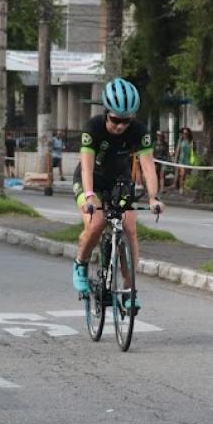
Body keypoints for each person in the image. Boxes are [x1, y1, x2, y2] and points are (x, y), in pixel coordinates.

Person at [70, 77, 163, 304]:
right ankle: (80, 263)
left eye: (126, 121)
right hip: (90, 179)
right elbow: (87, 166)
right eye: (115, 120)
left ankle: (130, 291)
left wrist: (154, 197)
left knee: (129, 227)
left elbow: (148, 165)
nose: (120, 126)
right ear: (106, 112)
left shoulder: (139, 131)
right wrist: (90, 196)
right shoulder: (93, 127)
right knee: (97, 222)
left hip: (118, 181)